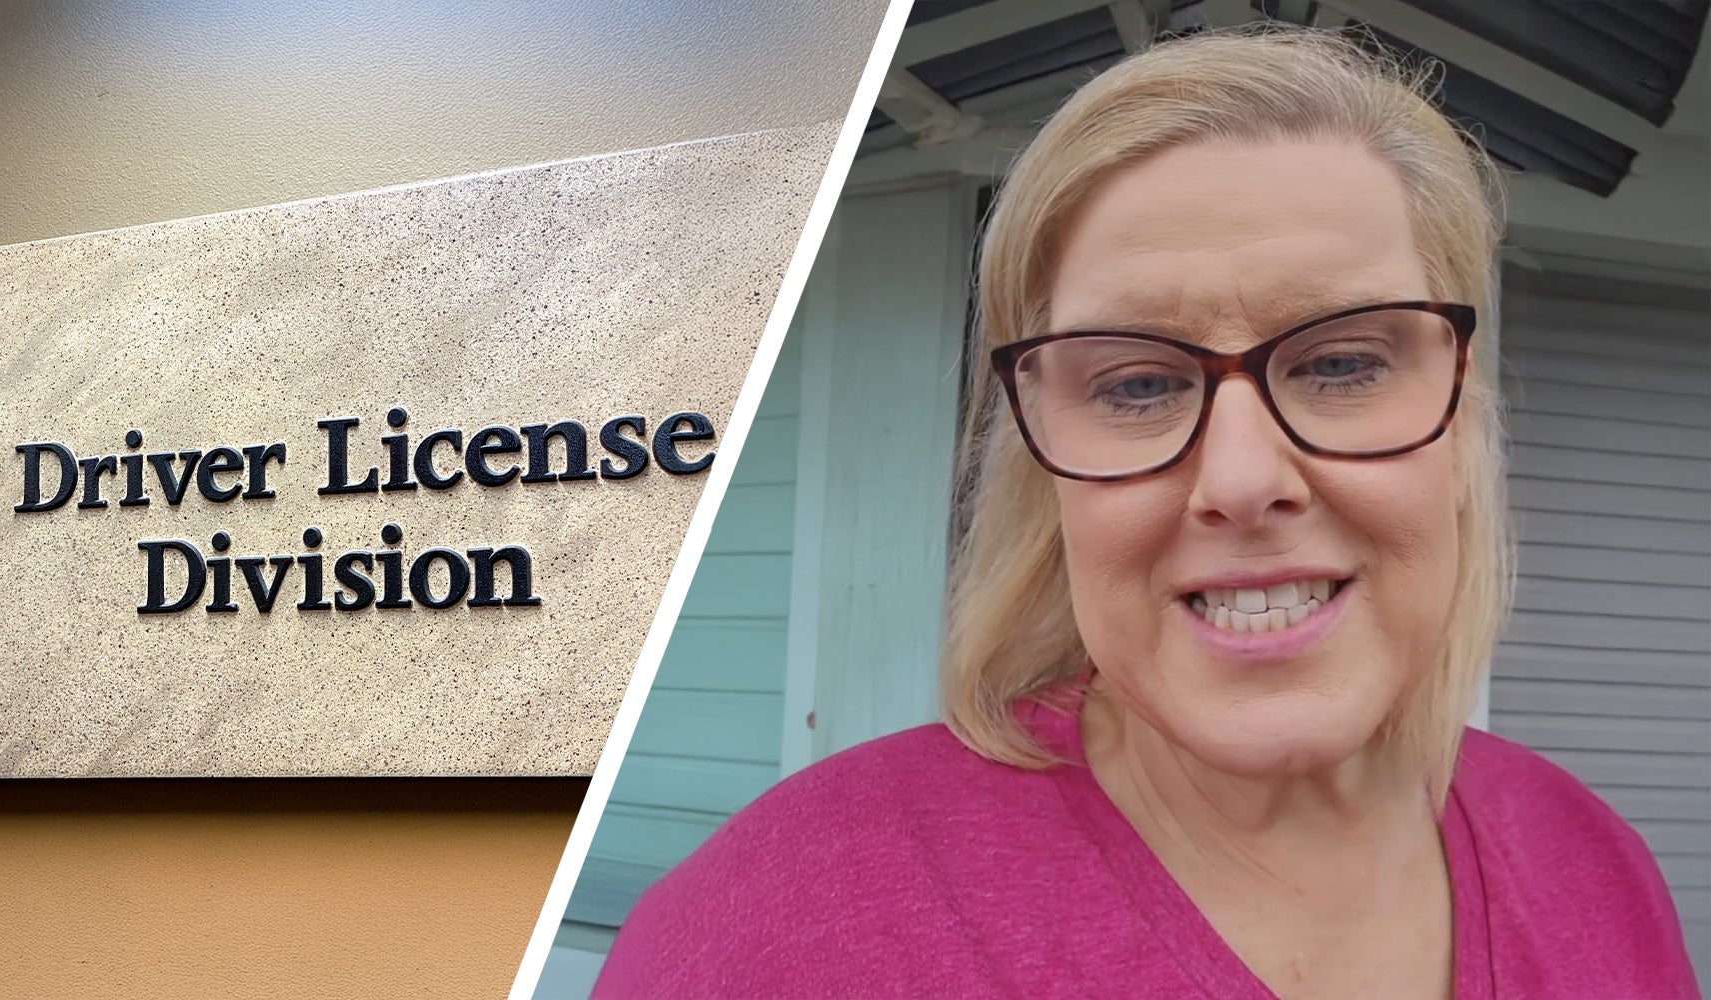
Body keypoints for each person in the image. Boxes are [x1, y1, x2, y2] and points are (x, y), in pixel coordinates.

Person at [593, 25, 1700, 1000]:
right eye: (1135, 384)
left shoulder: (1592, 865)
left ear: (1459, 411)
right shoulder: (772, 928)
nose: (1240, 480)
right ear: (1042, 459)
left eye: (1342, 363)